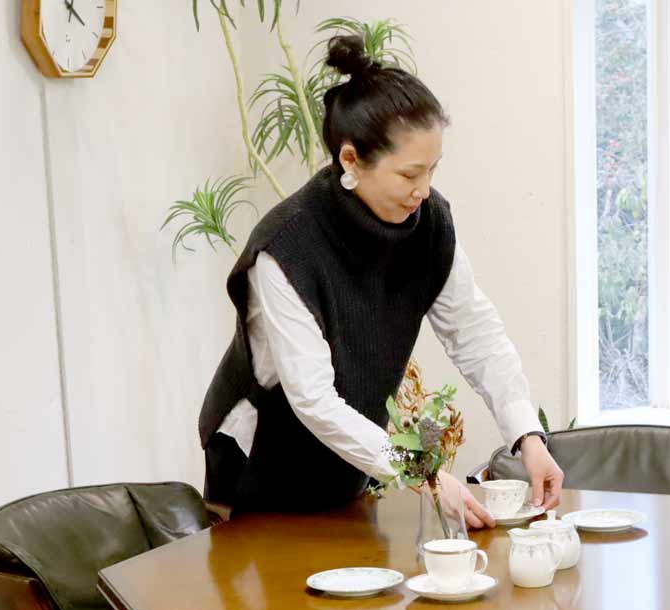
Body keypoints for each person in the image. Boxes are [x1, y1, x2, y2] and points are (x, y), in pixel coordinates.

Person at [198, 34, 563, 526]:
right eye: (409, 175)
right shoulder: (286, 248)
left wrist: (527, 435)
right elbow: (314, 400)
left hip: (347, 467)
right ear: (350, 160)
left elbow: (474, 332)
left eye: (432, 170)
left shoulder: (428, 225)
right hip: (263, 467)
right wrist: (423, 473)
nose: (424, 190)